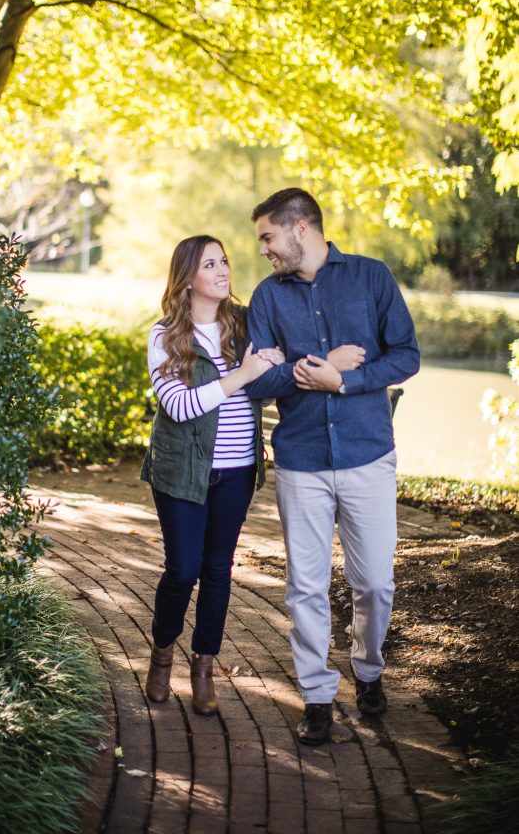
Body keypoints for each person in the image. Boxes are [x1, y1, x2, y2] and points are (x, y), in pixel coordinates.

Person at [244, 188, 420, 746]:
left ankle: (368, 672)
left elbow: (406, 355)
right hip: (301, 460)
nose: (265, 251)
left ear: (301, 229)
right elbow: (259, 377)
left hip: (368, 452)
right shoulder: (267, 297)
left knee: (375, 582)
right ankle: (317, 695)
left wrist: (343, 380)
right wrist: (312, 371)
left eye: (268, 237)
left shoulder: (371, 278)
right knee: (306, 587)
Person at [141, 235, 283, 715]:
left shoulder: (244, 327)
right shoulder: (165, 337)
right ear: (188, 277)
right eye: (210, 263)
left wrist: (272, 363)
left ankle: (204, 668)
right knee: (182, 570)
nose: (223, 270)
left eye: (225, 260)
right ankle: (162, 658)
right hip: (182, 473)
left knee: (218, 570)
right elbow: (179, 407)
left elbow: (273, 368)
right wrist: (241, 376)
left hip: (239, 470)